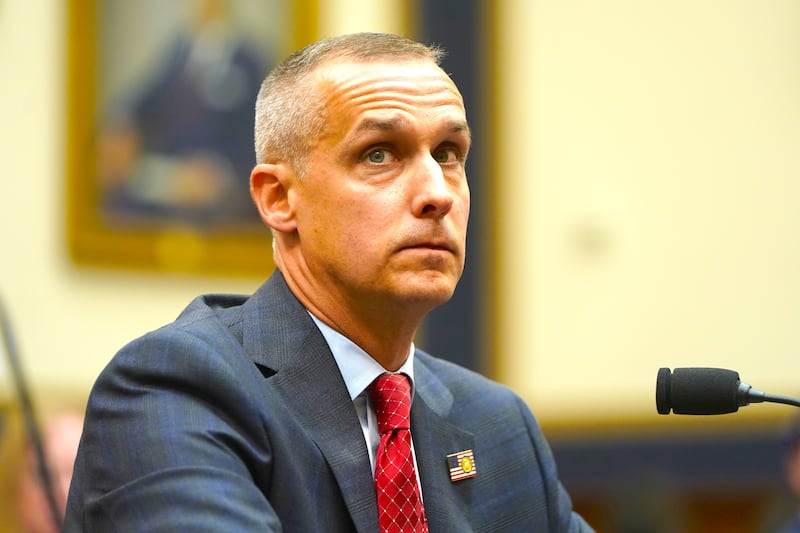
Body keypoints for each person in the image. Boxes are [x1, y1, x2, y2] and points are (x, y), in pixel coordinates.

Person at [64, 32, 593, 532]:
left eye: (448, 154)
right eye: (379, 153)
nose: (438, 194)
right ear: (278, 199)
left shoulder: (500, 425)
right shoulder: (175, 389)